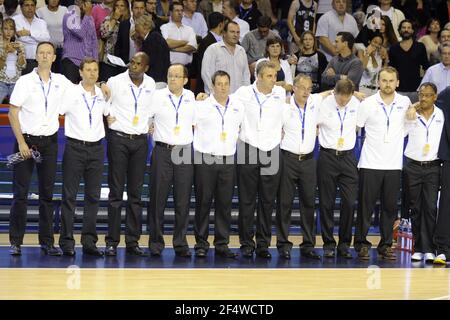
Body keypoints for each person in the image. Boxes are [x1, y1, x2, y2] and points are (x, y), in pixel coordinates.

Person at [7, 41, 73, 256]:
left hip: (50, 143)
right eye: (41, 53)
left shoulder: (61, 82)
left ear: (54, 57)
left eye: (48, 53)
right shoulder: (25, 81)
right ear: (36, 56)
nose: (44, 56)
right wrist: (22, 143)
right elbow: (12, 113)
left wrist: (103, 86)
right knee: (21, 194)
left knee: (47, 195)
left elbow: (83, 90)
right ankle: (16, 241)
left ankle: (47, 242)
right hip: (26, 142)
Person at [354, 66, 412, 261]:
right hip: (370, 163)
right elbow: (356, 127)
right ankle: (361, 244)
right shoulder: (368, 103)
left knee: (389, 208)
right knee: (365, 207)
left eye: (391, 81)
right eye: (384, 80)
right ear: (378, 82)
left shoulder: (405, 102)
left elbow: (406, 130)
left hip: (394, 164)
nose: (387, 84)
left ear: (398, 82)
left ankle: (385, 245)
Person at [104, 52, 156, 257]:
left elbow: (154, 109)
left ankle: (133, 241)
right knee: (116, 193)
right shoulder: (115, 81)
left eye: (138, 64)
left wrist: (151, 124)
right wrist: (108, 116)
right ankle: (111, 242)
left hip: (141, 141)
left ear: (146, 68)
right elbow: (103, 102)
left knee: (136, 194)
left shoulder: (152, 84)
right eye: (132, 62)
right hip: (118, 139)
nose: (133, 66)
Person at [58, 58, 109, 257]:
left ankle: (89, 242)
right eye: (88, 70)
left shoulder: (103, 94)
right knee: (69, 197)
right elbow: (59, 110)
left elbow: (109, 114)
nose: (92, 73)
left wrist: (104, 85)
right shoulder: (70, 92)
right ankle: (67, 241)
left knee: (93, 197)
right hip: (75, 148)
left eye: (95, 70)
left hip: (97, 149)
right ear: (80, 72)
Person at [234, 60, 285, 258]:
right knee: (247, 201)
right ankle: (246, 243)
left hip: (271, 151)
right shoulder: (243, 93)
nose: (274, 80)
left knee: (267, 201)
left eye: (275, 76)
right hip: (249, 149)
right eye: (270, 77)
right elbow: (225, 105)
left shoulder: (280, 94)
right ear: (259, 77)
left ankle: (263, 244)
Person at [193, 70, 244, 258]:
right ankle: (201, 243)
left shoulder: (238, 106)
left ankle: (222, 243)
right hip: (206, 159)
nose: (222, 87)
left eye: (226, 83)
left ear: (230, 85)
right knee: (203, 203)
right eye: (219, 84)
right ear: (212, 86)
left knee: (224, 204)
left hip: (228, 160)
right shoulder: (201, 106)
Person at [276, 74, 327, 260]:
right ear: (294, 88)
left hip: (308, 160)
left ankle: (308, 244)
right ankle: (283, 244)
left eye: (309, 88)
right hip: (288, 159)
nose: (306, 91)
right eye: (302, 87)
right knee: (285, 203)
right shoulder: (284, 107)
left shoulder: (314, 102)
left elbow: (330, 93)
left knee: (308, 203)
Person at [147, 63, 196, 257]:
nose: (172, 79)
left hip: (184, 151)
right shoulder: (157, 96)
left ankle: (181, 243)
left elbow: (196, 121)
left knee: (182, 201)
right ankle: (156, 243)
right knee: (158, 199)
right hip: (162, 151)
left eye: (176, 76)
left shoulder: (191, 97)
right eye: (170, 75)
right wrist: (149, 125)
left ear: (185, 80)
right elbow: (145, 117)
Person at [317, 78, 360, 259]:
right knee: (326, 203)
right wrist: (325, 93)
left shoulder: (356, 103)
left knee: (349, 203)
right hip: (328, 156)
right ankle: (328, 243)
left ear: (351, 94)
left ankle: (344, 244)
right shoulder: (324, 103)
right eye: (340, 97)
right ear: (334, 92)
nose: (343, 101)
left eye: (346, 97)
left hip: (348, 157)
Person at [404, 82, 444, 263]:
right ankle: (418, 248)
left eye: (428, 95)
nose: (424, 98)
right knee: (416, 208)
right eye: (421, 94)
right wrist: (410, 110)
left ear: (435, 97)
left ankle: (430, 248)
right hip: (413, 166)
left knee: (430, 208)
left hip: (433, 167)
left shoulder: (441, 115)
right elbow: (400, 130)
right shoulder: (410, 114)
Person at [201, 21, 250, 94]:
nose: (235, 35)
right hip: (218, 97)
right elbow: (206, 74)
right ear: (224, 33)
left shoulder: (241, 50)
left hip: (239, 98)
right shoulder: (213, 49)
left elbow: (246, 75)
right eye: (232, 32)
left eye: (238, 32)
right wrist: (213, 94)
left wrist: (246, 94)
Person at [61, 0, 98, 83]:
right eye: (84, 2)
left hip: (87, 63)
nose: (87, 5)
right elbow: (80, 33)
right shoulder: (69, 16)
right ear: (77, 2)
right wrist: (88, 15)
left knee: (86, 92)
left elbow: (94, 40)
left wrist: (95, 61)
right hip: (72, 61)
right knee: (71, 91)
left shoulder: (90, 18)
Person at [388, 19, 429, 94]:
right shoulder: (393, 48)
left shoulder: (420, 47)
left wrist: (424, 86)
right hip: (397, 89)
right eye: (403, 27)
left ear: (413, 31)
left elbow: (426, 67)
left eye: (409, 28)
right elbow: (391, 70)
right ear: (399, 30)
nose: (406, 30)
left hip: (416, 89)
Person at [13, 0, 50, 74]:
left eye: (32, 5)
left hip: (38, 61)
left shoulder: (41, 22)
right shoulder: (15, 20)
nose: (30, 8)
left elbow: (46, 39)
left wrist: (29, 33)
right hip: (21, 61)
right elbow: (20, 39)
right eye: (27, 5)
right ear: (21, 7)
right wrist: (38, 39)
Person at [135, 14, 170, 85]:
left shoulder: (152, 39)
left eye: (137, 26)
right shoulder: (155, 36)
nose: (136, 29)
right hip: (160, 79)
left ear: (144, 26)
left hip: (155, 81)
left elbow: (150, 62)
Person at [99, 0, 130, 81]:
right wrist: (114, 19)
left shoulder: (130, 22)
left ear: (127, 8)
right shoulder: (108, 20)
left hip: (124, 62)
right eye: (117, 5)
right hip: (109, 61)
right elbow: (104, 34)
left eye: (122, 6)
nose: (119, 8)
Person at [194, 11, 224, 93]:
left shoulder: (221, 40)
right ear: (221, 25)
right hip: (207, 86)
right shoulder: (206, 42)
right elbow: (203, 68)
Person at [160, 1, 197, 68]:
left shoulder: (190, 29)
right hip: (169, 66)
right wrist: (184, 42)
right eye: (177, 10)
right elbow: (167, 43)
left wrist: (173, 49)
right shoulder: (164, 27)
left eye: (181, 11)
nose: (180, 13)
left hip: (187, 67)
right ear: (171, 13)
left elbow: (192, 47)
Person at [36, 0, 68, 73]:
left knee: (60, 73)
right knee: (47, 72)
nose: (54, 0)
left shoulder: (64, 10)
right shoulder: (40, 11)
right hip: (47, 49)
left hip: (62, 48)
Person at [0, 17, 26, 103]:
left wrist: (18, 52)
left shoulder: (19, 45)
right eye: (5, 28)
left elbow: (22, 66)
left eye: (11, 29)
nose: (8, 32)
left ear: (14, 31)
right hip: (1, 82)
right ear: (1, 30)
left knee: (16, 108)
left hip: (16, 83)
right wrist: (5, 52)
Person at [357, 31, 388, 96]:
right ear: (369, 41)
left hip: (375, 90)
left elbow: (378, 70)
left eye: (379, 44)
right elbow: (362, 68)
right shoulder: (362, 51)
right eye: (375, 42)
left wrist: (385, 58)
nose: (376, 45)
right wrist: (368, 54)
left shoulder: (379, 55)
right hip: (363, 88)